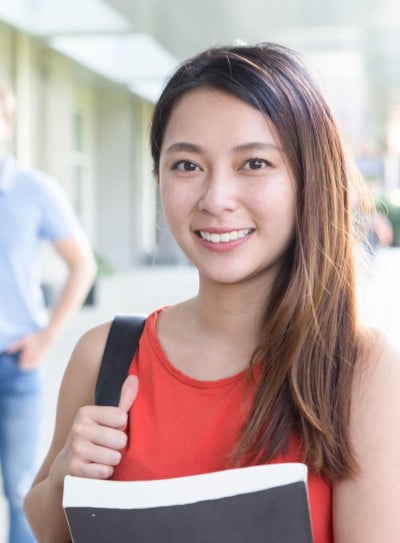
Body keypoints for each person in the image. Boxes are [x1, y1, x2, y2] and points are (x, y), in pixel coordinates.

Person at [24, 43, 400, 543]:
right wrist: (67, 474)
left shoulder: (358, 370)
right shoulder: (106, 356)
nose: (215, 199)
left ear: (310, 179)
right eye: (186, 165)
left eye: (254, 164)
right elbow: (49, 530)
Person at [0, 81, 97, 543]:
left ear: (8, 122)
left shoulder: (33, 190)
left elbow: (83, 265)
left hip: (15, 365)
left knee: (21, 488)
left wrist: (45, 338)